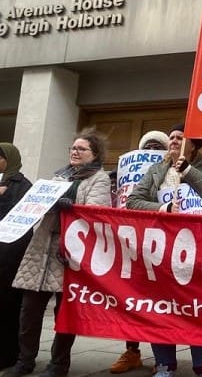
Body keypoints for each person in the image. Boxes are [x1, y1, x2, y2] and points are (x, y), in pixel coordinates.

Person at [4, 128, 111, 377]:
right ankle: (25, 361)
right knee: (29, 312)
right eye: (73, 148)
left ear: (94, 154)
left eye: (81, 148)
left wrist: (70, 207)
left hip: (70, 253)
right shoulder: (57, 176)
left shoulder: (99, 179)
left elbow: (97, 212)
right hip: (41, 251)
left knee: (65, 313)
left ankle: (59, 365)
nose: (75, 151)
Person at [127, 124, 202, 377]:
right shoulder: (156, 171)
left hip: (200, 249)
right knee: (162, 307)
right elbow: (133, 201)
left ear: (193, 145)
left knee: (200, 308)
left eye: (180, 138)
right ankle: (164, 363)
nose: (173, 141)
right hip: (162, 250)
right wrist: (163, 210)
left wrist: (187, 170)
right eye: (172, 137)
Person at [109, 130, 169, 374]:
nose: (152, 151)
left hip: (161, 242)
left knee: (162, 301)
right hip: (131, 241)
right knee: (131, 300)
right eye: (148, 146)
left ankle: (163, 357)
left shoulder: (173, 173)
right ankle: (132, 351)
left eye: (158, 147)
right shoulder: (120, 174)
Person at [0, 143, 33, 370]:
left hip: (9, 258)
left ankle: (8, 355)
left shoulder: (23, 185)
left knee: (8, 306)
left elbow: (21, 218)